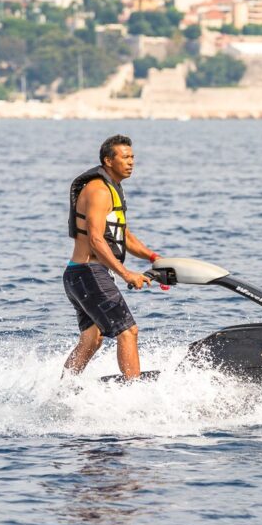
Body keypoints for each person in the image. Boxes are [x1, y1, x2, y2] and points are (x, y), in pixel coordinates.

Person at [62, 134, 161, 380]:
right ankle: (134, 393)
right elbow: (96, 240)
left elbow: (122, 235)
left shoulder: (112, 189)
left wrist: (153, 257)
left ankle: (62, 392)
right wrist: (126, 274)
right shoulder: (99, 190)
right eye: (125, 157)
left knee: (92, 339)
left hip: (81, 275)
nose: (131, 162)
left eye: (133, 157)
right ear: (108, 160)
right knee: (128, 332)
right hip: (88, 273)